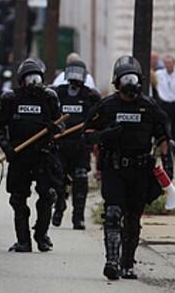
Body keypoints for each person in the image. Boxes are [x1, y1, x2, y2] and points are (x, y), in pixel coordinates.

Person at [83, 56, 169, 280]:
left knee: (133, 218)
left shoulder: (149, 107)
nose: (129, 84)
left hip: (140, 170)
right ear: (117, 82)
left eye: (133, 79)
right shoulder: (106, 106)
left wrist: (167, 166)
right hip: (114, 168)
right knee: (112, 214)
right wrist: (104, 135)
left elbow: (163, 136)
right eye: (125, 79)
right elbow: (87, 135)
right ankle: (112, 261)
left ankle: (127, 263)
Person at [0, 58, 63, 253]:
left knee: (48, 195)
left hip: (43, 154)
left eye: (36, 78)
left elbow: (61, 124)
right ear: (21, 80)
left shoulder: (49, 97)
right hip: (19, 155)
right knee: (18, 198)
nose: (33, 83)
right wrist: (6, 147)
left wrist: (54, 128)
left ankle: (41, 235)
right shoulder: (11, 98)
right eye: (29, 79)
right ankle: (23, 240)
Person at [52, 60, 101, 230]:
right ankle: (58, 207)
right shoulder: (59, 93)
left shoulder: (90, 96)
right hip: (60, 143)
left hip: (80, 145)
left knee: (80, 178)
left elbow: (98, 118)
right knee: (57, 179)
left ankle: (78, 217)